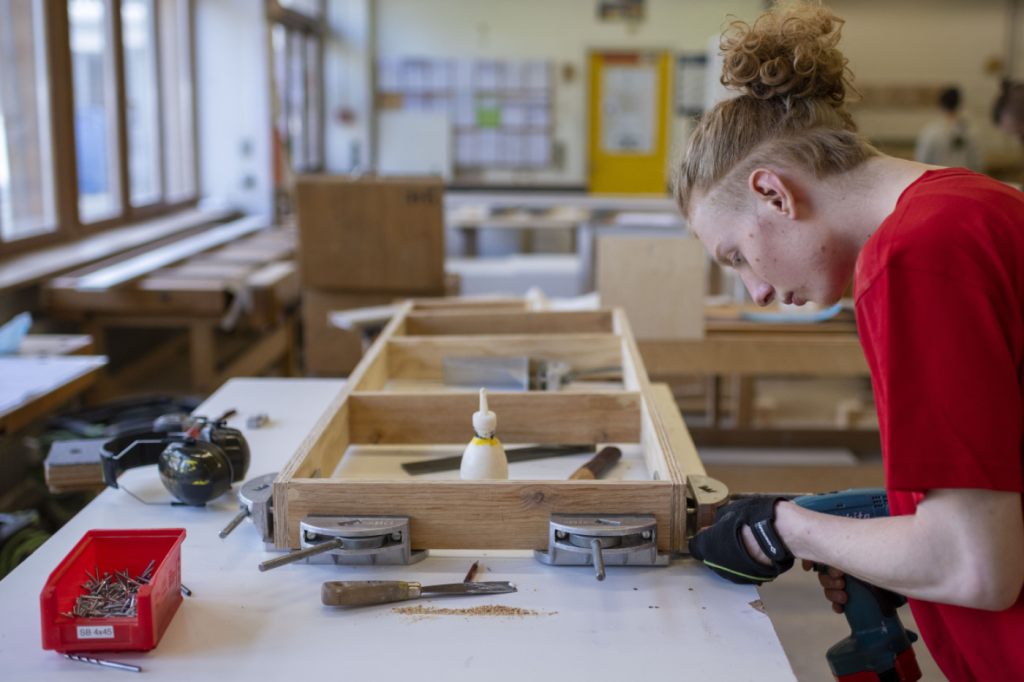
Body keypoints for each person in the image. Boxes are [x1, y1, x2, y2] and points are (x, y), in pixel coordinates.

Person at [676, 3, 1024, 680]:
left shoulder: (913, 258)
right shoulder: (977, 204)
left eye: (737, 257)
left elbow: (976, 567)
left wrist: (786, 526)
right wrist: (881, 530)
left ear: (773, 193)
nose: (758, 292)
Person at [914, 86, 982, 171]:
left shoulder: (931, 132)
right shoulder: (970, 130)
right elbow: (976, 163)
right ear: (959, 103)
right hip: (964, 180)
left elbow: (922, 161)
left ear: (940, 104)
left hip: (939, 180)